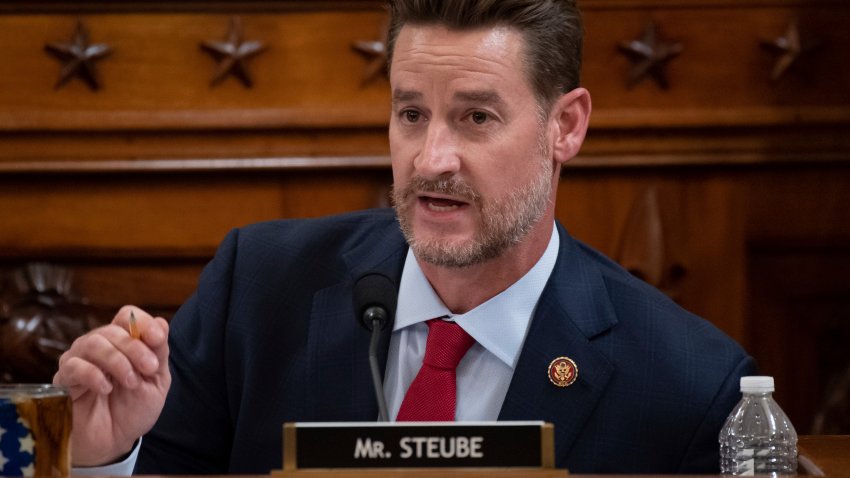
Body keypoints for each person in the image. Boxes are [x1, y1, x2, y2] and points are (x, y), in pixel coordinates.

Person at [53, 0, 757, 474]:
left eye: (476, 118)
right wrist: (102, 460)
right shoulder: (258, 288)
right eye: (411, 114)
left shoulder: (687, 384)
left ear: (565, 126)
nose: (431, 160)